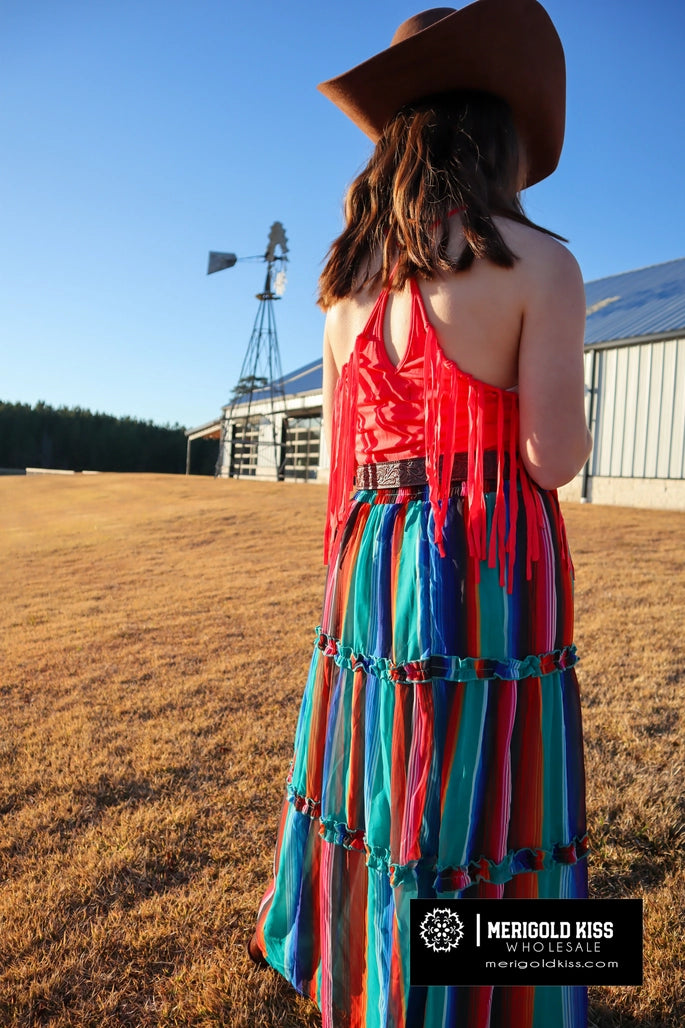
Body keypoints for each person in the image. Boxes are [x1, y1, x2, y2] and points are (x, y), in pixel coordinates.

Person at [250, 2, 593, 1026]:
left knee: (379, 779)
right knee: (477, 787)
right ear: (493, 134)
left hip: (369, 555)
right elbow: (552, 456)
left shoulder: (343, 282)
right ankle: (483, 990)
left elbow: (343, 462)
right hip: (479, 554)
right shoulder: (538, 264)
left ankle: (365, 978)